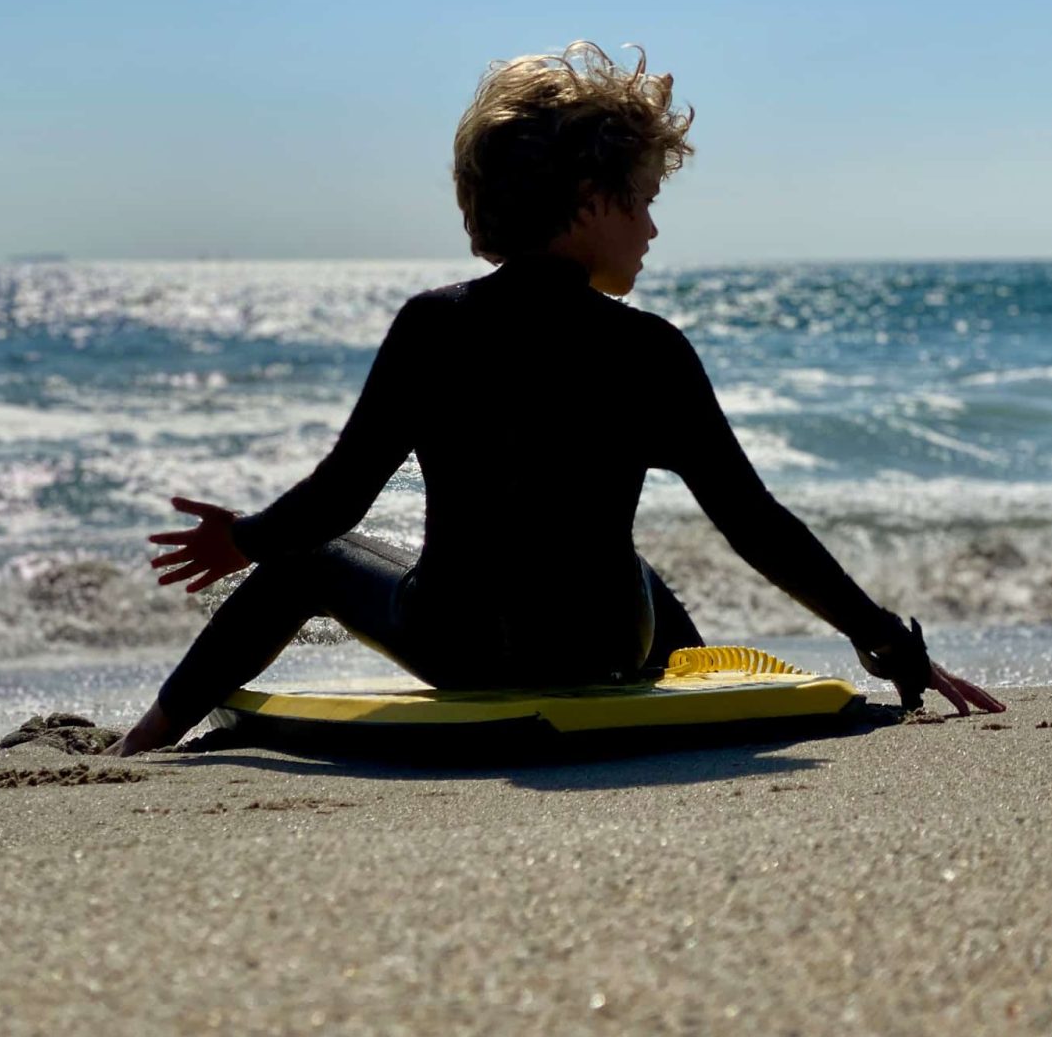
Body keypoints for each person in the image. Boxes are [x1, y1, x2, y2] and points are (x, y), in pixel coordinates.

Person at [105, 42, 1003, 757]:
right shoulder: (651, 350)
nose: (653, 227)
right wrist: (886, 642)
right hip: (602, 643)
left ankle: (152, 731)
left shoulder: (430, 327)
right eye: (643, 201)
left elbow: (338, 497)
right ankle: (684, 686)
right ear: (586, 200)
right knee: (628, 564)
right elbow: (754, 523)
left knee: (307, 558)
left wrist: (242, 539)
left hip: (453, 645)